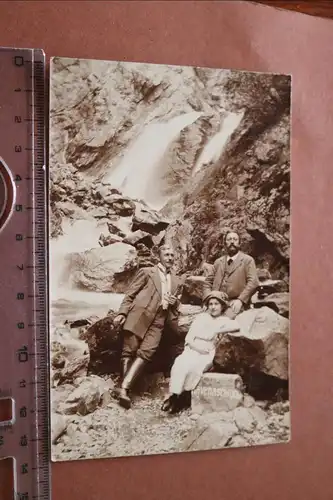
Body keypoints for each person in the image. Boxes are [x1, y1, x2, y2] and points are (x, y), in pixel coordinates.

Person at [113, 244, 182, 409]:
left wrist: (175, 303)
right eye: (166, 254)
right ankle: (125, 389)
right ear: (159, 256)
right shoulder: (146, 272)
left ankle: (123, 388)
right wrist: (122, 313)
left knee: (147, 352)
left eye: (172, 255)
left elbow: (177, 302)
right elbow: (130, 294)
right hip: (140, 314)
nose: (170, 258)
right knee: (129, 349)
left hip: (160, 319)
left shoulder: (177, 279)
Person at [161, 291, 240, 414]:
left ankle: (181, 399)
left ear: (222, 306)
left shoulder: (224, 320)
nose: (213, 307)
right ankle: (174, 396)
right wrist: (196, 347)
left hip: (207, 352)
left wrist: (218, 330)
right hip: (193, 348)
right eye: (211, 304)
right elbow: (188, 338)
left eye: (216, 304)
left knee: (194, 368)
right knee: (180, 363)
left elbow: (236, 325)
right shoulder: (201, 317)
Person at [203, 231, 259, 319]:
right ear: (225, 244)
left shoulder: (248, 260)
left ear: (239, 243)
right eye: (229, 239)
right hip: (215, 303)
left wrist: (240, 300)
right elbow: (207, 282)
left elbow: (253, 282)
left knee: (222, 322)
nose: (232, 242)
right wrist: (208, 300)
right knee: (203, 320)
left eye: (235, 239)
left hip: (234, 303)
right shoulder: (218, 262)